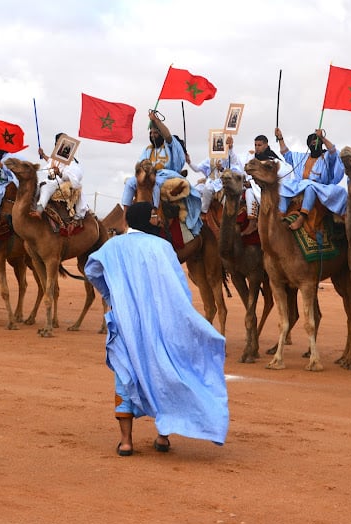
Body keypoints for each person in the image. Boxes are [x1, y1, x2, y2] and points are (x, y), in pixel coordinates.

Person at [84, 201, 229, 456]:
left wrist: (112, 292)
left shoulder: (113, 246)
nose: (156, 219)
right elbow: (177, 285)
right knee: (164, 370)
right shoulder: (162, 247)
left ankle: (126, 442)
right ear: (148, 221)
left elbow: (92, 269)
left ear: (128, 221)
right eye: (153, 216)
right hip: (159, 321)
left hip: (126, 321)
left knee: (125, 373)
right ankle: (163, 436)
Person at [275, 127, 347, 231]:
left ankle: (302, 217)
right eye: (312, 143)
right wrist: (280, 138)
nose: (314, 145)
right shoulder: (302, 157)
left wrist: (322, 137)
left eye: (316, 142)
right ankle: (281, 213)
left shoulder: (326, 157)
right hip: (300, 185)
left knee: (310, 186)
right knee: (283, 185)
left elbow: (333, 151)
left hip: (320, 187)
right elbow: (287, 154)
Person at [121, 110, 187, 210]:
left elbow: (168, 136)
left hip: (167, 176)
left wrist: (156, 121)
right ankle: (126, 216)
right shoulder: (148, 149)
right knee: (130, 182)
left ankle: (154, 211)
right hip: (148, 176)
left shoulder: (169, 146)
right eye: (151, 133)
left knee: (154, 183)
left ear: (161, 134)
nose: (152, 135)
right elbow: (140, 164)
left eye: (155, 133)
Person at [187, 134, 243, 232]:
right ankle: (203, 211)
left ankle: (231, 221)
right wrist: (189, 162)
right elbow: (197, 169)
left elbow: (235, 168)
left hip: (224, 183)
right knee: (198, 190)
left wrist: (222, 167)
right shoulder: (210, 158)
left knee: (227, 201)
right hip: (212, 182)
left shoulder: (228, 156)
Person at [32, 133, 88, 220]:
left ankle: (39, 211)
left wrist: (59, 173)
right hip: (48, 180)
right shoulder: (56, 157)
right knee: (34, 187)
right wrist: (43, 155)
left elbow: (74, 175)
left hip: (59, 182)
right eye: (58, 143)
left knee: (45, 188)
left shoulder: (71, 160)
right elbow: (50, 161)